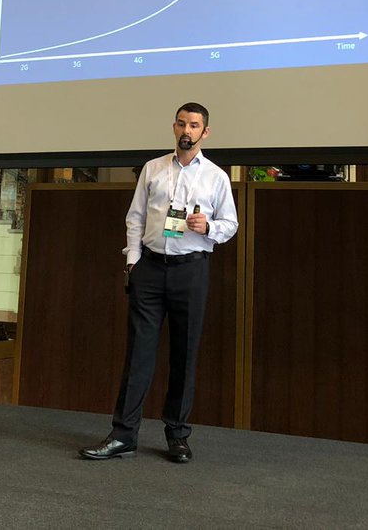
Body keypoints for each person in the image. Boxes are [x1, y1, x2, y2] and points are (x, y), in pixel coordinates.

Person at [79, 102, 238, 463]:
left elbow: (231, 224)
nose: (187, 130)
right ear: (174, 127)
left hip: (191, 270)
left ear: (205, 132)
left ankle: (177, 436)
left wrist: (208, 227)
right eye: (182, 123)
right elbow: (135, 217)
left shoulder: (216, 177)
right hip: (150, 269)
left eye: (194, 125)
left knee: (184, 354)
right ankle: (123, 436)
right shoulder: (153, 168)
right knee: (138, 354)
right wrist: (133, 261)